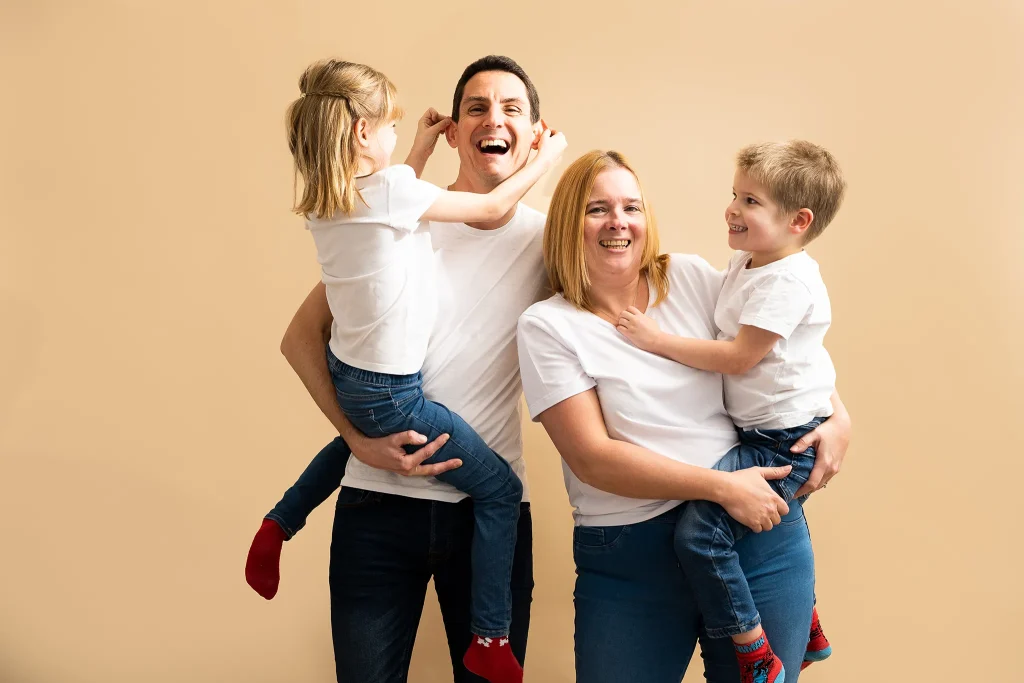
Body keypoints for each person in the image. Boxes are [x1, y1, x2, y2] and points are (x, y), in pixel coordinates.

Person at [247, 56, 555, 683]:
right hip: (377, 510)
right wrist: (358, 439)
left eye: (512, 109)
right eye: (476, 107)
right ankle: (284, 518)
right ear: (454, 128)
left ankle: (281, 521)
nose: (493, 119)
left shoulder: (551, 240)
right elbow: (300, 338)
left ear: (533, 128)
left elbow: (629, 314)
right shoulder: (398, 215)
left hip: (481, 520)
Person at [516, 150, 852, 683]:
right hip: (634, 556)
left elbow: (775, 351)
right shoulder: (548, 326)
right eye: (597, 208)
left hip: (757, 536)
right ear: (567, 223)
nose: (618, 222)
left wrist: (838, 418)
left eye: (631, 206)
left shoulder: (693, 276)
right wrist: (721, 489)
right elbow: (593, 460)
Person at [615, 140, 846, 681]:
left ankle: (752, 648)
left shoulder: (787, 281)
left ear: (798, 221)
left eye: (751, 202)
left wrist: (655, 339)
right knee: (768, 519)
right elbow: (801, 354)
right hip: (762, 430)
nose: (733, 210)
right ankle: (807, 619)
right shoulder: (749, 264)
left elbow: (740, 357)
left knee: (702, 536)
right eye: (734, 195)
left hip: (785, 438)